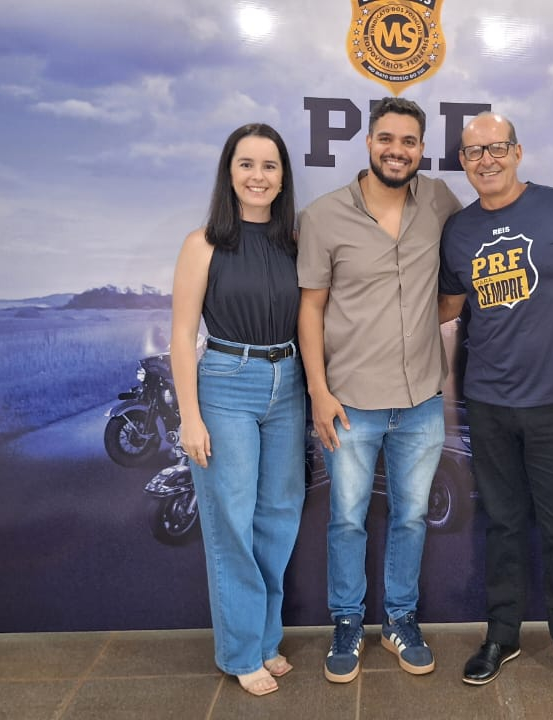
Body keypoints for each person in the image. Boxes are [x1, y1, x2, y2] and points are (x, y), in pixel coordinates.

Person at [438, 112, 553, 703]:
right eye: (473, 152)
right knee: (503, 523)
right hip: (488, 403)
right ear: (462, 163)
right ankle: (502, 635)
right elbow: (445, 307)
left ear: (517, 152)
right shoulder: (459, 229)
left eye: (496, 148)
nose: (486, 160)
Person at [297, 97, 462, 683]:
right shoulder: (323, 217)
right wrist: (318, 391)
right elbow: (310, 309)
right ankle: (346, 621)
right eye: (387, 139)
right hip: (349, 403)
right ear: (368, 143)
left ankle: (399, 620)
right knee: (347, 519)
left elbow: (460, 274)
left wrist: (430, 317)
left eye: (409, 141)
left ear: (422, 149)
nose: (398, 150)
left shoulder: (440, 201)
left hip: (421, 402)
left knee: (411, 516)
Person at [171, 123, 304, 697]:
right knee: (232, 521)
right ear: (229, 173)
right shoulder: (203, 244)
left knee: (278, 516)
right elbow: (182, 336)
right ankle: (240, 652)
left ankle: (266, 640)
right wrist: (190, 416)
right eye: (246, 164)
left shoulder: (294, 243)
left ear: (283, 178)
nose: (258, 176)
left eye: (269, 166)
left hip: (289, 382)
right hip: (227, 381)